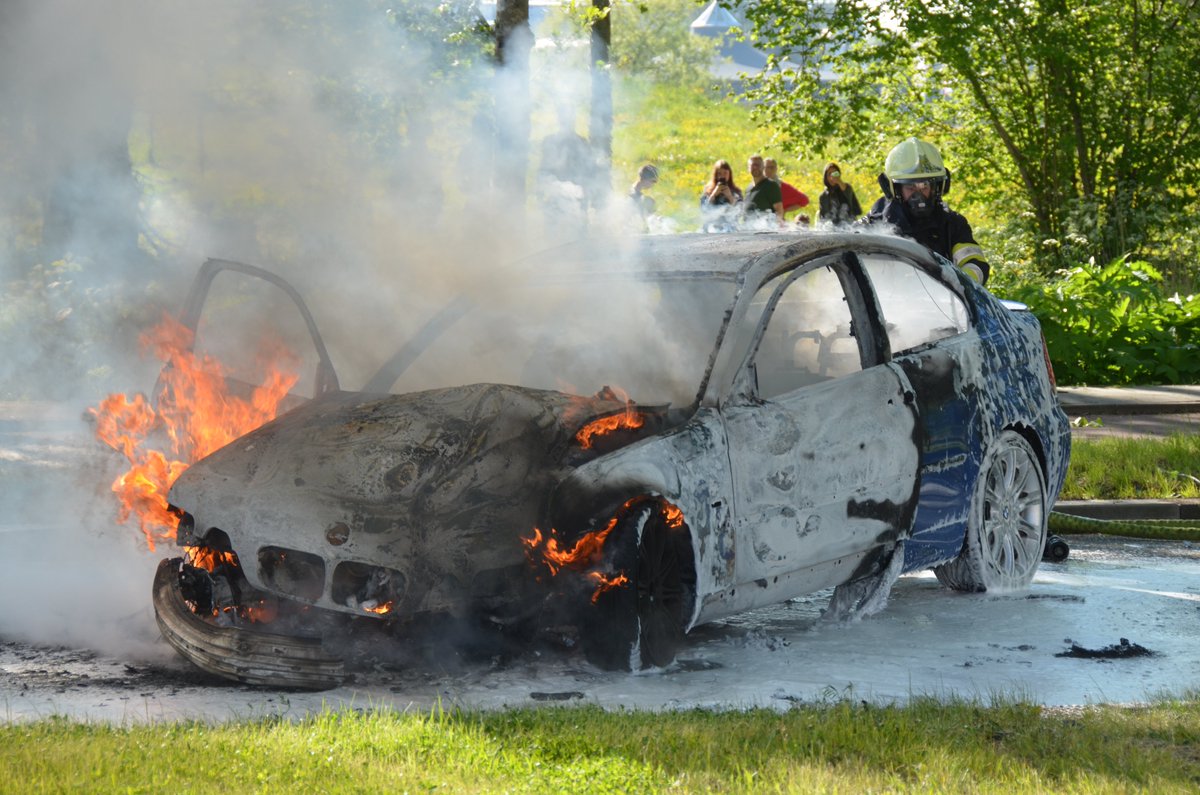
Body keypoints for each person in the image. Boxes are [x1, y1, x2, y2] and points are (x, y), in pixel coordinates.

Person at [866, 138, 989, 283]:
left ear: (937, 187)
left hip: (941, 303)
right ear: (895, 189)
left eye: (924, 186)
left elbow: (975, 263)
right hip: (889, 303)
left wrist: (961, 282)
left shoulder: (952, 224)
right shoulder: (875, 224)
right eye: (910, 187)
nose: (919, 195)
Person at [700, 159, 743, 232]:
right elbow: (704, 210)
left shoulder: (736, 191)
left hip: (730, 229)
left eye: (725, 173)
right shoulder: (708, 190)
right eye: (719, 173)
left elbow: (739, 212)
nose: (722, 176)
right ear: (715, 175)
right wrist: (714, 194)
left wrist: (730, 197)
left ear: (729, 174)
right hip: (712, 229)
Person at [763, 158, 810, 223]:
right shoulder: (757, 186)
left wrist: (784, 210)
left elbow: (804, 200)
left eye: (772, 167)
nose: (769, 170)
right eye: (766, 167)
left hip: (777, 225)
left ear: (776, 169)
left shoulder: (782, 187)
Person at [742, 154, 784, 226]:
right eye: (753, 165)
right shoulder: (748, 188)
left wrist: (776, 229)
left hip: (765, 232)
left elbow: (779, 211)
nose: (755, 167)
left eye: (758, 165)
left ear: (763, 167)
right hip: (748, 232)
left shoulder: (771, 185)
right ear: (748, 168)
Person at [628, 163, 659, 232]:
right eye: (653, 181)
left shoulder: (634, 190)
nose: (654, 184)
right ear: (645, 179)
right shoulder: (635, 195)